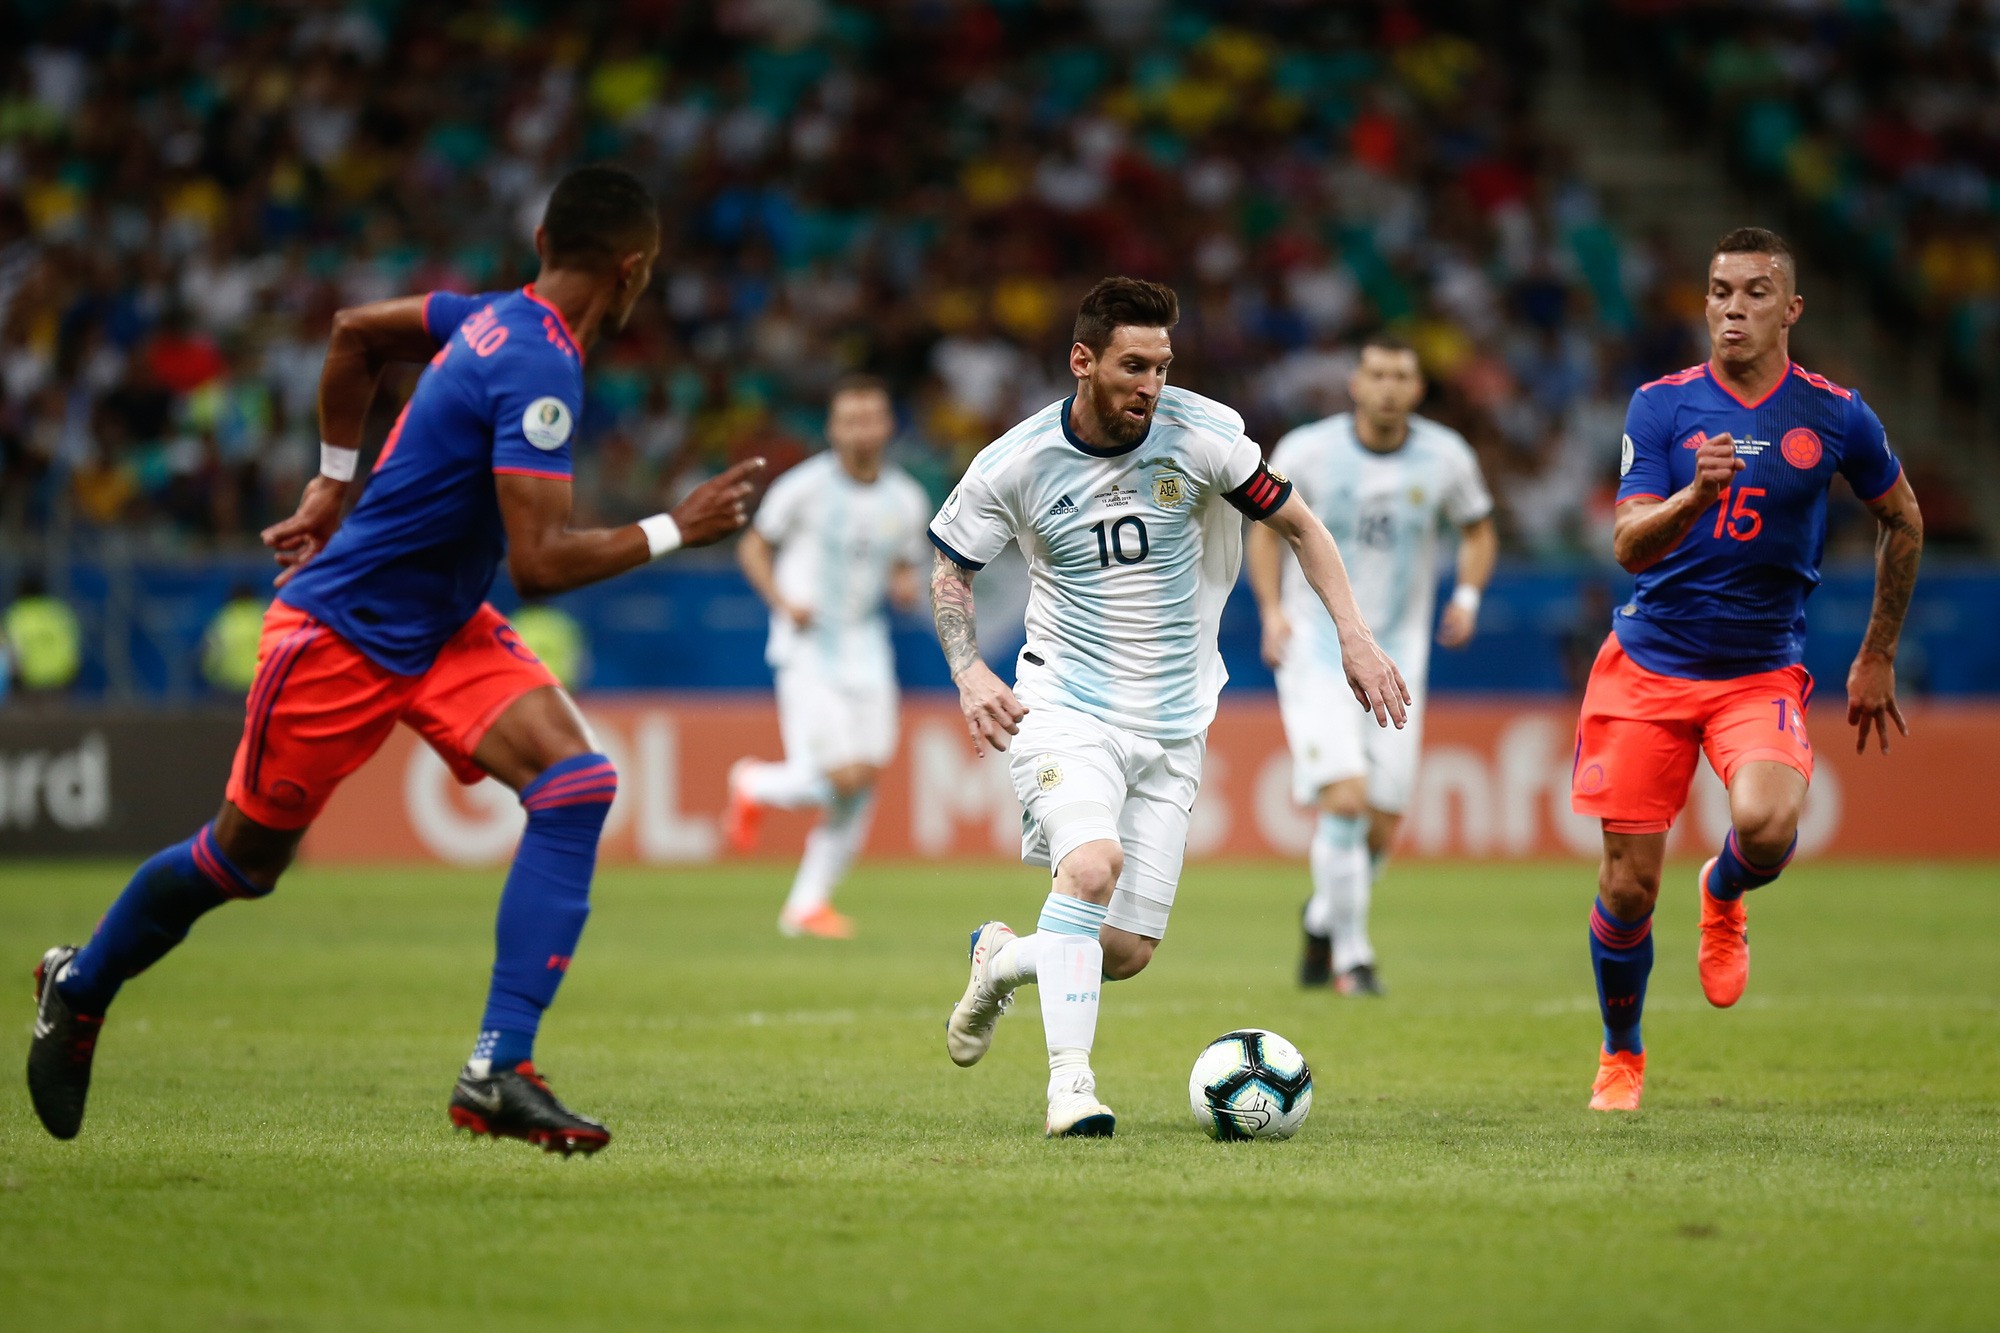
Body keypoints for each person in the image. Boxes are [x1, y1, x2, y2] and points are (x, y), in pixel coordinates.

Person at [27, 165, 763, 1152]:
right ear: (631, 269)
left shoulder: (491, 315)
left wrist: (333, 480)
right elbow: (539, 564)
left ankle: (498, 1068)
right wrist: (679, 525)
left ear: (542, 240)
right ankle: (81, 983)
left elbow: (356, 332)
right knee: (240, 862)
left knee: (575, 782)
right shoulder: (537, 358)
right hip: (344, 632)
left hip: (441, 625)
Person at [932, 277, 1407, 1137]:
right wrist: (969, 671)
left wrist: (1355, 636)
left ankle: (1001, 958)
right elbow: (951, 569)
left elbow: (1301, 526)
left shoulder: (1206, 436)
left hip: (1175, 722)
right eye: (1133, 365)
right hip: (1063, 703)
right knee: (1088, 867)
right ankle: (1071, 1086)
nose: (1151, 384)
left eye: (1163, 365)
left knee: (1123, 952)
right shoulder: (1016, 460)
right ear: (1083, 361)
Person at [1573, 227, 1922, 1111]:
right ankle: (1622, 1054)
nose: (1734, 307)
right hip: (1648, 664)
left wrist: (1876, 651)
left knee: (1766, 826)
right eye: (1721, 291)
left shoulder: (1836, 415)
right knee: (1625, 883)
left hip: (1758, 669)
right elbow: (1626, 546)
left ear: (1791, 309)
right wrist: (1696, 495)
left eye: (1756, 292)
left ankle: (1724, 890)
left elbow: (1904, 519)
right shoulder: (1662, 406)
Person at [1247, 333, 1497, 996]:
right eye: (1376, 373)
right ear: (1355, 383)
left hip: (1399, 656)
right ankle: (1352, 960)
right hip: (1317, 648)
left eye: (1401, 376)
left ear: (1417, 389)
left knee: (1381, 827)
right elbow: (1265, 530)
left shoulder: (1446, 457)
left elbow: (1478, 527)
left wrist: (1468, 597)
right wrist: (1272, 611)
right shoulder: (1306, 451)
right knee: (1347, 798)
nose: (1387, 386)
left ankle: (1323, 913)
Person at [723, 375, 929, 939]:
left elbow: (906, 564)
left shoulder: (906, 498)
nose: (862, 431)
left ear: (888, 426)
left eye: (872, 419)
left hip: (867, 647)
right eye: (850, 420)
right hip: (808, 648)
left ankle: (807, 905)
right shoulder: (803, 488)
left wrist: (906, 586)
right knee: (840, 775)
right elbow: (752, 545)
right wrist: (782, 601)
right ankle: (754, 784)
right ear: (833, 429)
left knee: (863, 779)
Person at [4, 572, 81, 696]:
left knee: (30, 714)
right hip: (61, 676)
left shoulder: (17, 614)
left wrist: (14, 679)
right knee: (58, 713)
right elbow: (73, 644)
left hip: (30, 679)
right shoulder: (59, 611)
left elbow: (13, 651)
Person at [201, 582, 267, 694]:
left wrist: (209, 675)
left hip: (230, 681)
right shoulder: (264, 615)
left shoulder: (225, 618)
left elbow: (211, 651)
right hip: (260, 681)